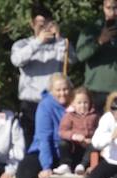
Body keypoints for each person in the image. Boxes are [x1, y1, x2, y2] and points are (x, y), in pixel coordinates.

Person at [10, 73, 79, 178]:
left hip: (68, 151)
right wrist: (46, 166)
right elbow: (44, 137)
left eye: (65, 89)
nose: (63, 93)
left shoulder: (76, 104)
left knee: (81, 174)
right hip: (45, 150)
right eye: (58, 90)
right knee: (25, 169)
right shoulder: (46, 106)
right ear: (51, 91)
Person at [11, 5, 70, 141]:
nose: (43, 29)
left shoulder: (61, 43)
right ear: (32, 24)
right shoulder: (22, 44)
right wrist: (38, 42)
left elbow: (72, 59)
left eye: (47, 25)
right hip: (31, 103)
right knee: (30, 141)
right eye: (40, 25)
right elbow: (16, 60)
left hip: (54, 102)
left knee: (54, 140)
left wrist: (59, 39)